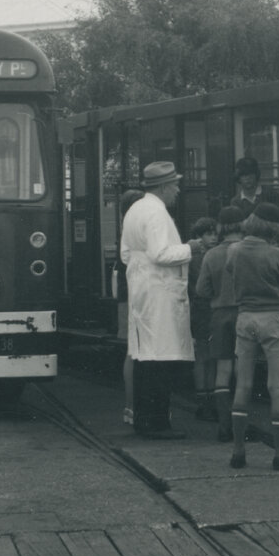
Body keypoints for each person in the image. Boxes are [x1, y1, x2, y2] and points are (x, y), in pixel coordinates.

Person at [119, 162, 194, 439]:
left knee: (143, 355)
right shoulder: (157, 213)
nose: (177, 190)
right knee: (160, 358)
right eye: (174, 185)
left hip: (141, 289)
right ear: (163, 187)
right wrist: (190, 248)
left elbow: (126, 254)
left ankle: (143, 419)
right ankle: (157, 423)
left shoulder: (135, 209)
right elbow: (161, 254)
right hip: (159, 293)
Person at [227, 202, 279, 471]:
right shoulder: (276, 254)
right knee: (276, 386)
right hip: (273, 319)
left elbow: (229, 272)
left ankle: (238, 453)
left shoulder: (234, 251)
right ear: (272, 227)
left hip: (245, 319)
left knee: (243, 385)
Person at [195, 206, 245, 440]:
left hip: (220, 316)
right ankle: (241, 426)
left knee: (222, 370)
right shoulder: (249, 250)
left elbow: (202, 290)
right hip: (245, 314)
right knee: (242, 372)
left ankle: (224, 427)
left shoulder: (211, 255)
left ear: (220, 228)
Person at [116, 188, 145, 426]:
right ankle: (134, 407)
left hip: (129, 296)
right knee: (135, 353)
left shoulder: (126, 228)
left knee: (132, 353)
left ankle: (131, 407)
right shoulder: (136, 230)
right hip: (136, 298)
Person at [187, 216, 220, 417]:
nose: (214, 237)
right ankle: (207, 398)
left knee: (204, 354)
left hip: (200, 306)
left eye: (215, 233)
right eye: (209, 234)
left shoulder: (200, 255)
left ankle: (205, 397)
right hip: (203, 306)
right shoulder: (200, 256)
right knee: (206, 354)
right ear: (199, 237)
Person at [230, 156, 279, 224]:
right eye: (243, 175)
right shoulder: (236, 202)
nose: (248, 178)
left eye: (251, 174)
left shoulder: (271, 195)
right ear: (238, 178)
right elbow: (236, 226)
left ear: (256, 175)